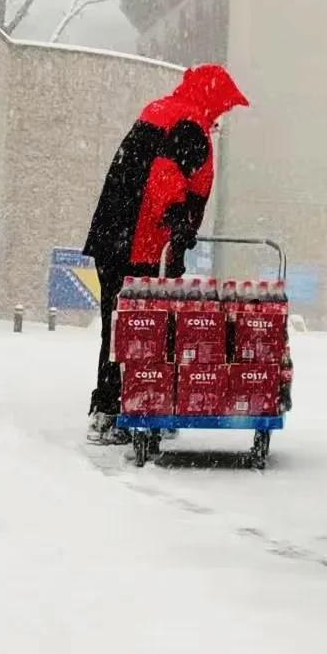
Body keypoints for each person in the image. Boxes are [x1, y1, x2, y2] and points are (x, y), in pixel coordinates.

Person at [83, 63, 249, 442]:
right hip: (139, 242)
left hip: (113, 235)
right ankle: (128, 408)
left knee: (116, 326)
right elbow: (164, 176)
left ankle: (110, 408)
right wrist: (177, 224)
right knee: (140, 330)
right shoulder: (190, 125)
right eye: (223, 105)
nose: (223, 115)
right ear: (211, 98)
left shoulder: (159, 110)